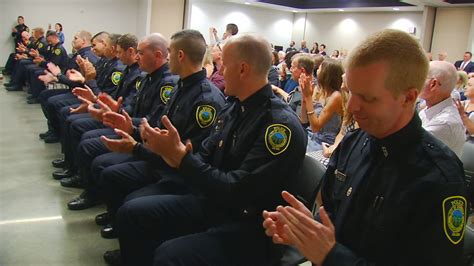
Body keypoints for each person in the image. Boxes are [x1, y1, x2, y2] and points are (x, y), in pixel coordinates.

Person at [263, 29, 467, 265]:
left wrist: (330, 255)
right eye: (350, 92)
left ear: (409, 98)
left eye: (368, 98)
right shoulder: (354, 141)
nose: (353, 107)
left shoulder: (438, 179)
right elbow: (331, 211)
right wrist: (308, 231)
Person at [106, 34, 307, 266]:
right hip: (214, 201)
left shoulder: (278, 127)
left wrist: (180, 157)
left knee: (168, 255)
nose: (218, 71)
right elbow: (203, 158)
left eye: (223, 65)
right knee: (132, 212)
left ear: (242, 69)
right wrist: (174, 154)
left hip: (249, 225)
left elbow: (236, 190)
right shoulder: (234, 107)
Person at [419, 60, 465, 157]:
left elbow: (408, 151)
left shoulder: (444, 122)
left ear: (433, 84)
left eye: (421, 77)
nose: (416, 82)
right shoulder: (428, 109)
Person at [301, 58, 344, 152]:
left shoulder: (336, 96)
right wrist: (304, 96)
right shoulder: (319, 90)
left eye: (320, 68)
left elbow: (316, 127)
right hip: (309, 135)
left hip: (323, 143)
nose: (317, 70)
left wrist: (308, 98)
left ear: (326, 74)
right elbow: (304, 120)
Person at [455, 76, 474, 141]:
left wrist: (463, 116)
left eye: (469, 85)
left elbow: (473, 132)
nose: (465, 87)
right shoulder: (463, 103)